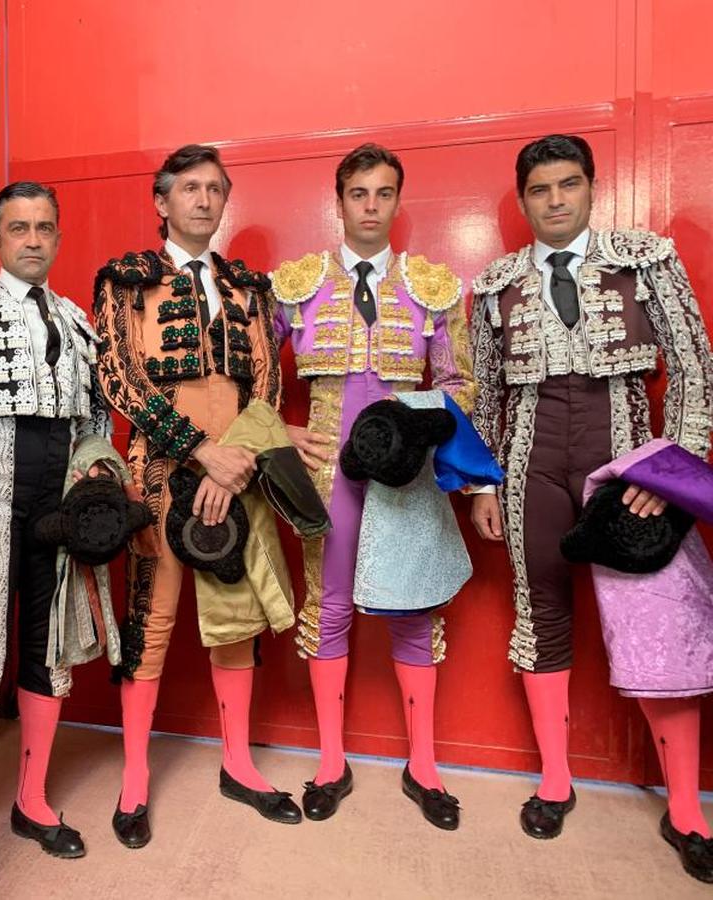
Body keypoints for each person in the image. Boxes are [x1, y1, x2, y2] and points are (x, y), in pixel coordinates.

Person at [469, 134, 713, 872]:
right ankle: (554, 778)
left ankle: (684, 809)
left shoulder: (647, 260)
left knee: (656, 628)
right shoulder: (493, 284)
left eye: (568, 185)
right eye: (540, 190)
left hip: (630, 471)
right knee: (539, 612)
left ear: (590, 187)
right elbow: (484, 393)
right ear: (523, 200)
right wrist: (481, 482)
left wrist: (669, 474)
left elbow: (696, 369)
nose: (555, 201)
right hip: (529, 469)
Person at [93, 144, 301, 850]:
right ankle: (134, 778)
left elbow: (268, 386)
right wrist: (203, 451)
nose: (204, 199)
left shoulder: (251, 289)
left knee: (236, 619)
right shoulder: (126, 281)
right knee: (149, 624)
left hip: (237, 473)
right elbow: (120, 378)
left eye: (216, 188)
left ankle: (238, 764)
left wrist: (233, 461)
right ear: (162, 201)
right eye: (189, 188)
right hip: (161, 474)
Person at [269, 143, 475, 830]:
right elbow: (252, 379)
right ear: (340, 199)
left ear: (397, 200)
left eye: (384, 193)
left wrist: (423, 432)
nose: (370, 206)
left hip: (405, 477)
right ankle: (331, 762)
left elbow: (458, 382)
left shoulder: (431, 286)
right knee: (326, 609)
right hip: (327, 474)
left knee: (414, 611)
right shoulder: (296, 283)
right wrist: (277, 428)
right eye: (359, 193)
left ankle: (423, 766)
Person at [0, 181, 110, 886]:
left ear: (57, 238)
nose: (32, 240)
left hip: (55, 509)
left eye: (44, 228)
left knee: (46, 652)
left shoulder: (75, 322)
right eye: (18, 228)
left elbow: (95, 423)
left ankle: (32, 803)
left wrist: (94, 489)